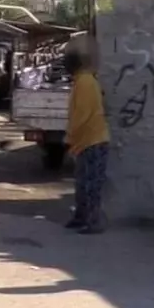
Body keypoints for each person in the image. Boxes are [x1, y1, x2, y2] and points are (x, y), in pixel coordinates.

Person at [64, 39, 110, 235]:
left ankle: (94, 221)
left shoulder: (85, 82)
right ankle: (81, 217)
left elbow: (81, 115)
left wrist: (70, 137)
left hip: (92, 140)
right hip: (87, 141)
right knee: (83, 184)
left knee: (91, 185)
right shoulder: (82, 81)